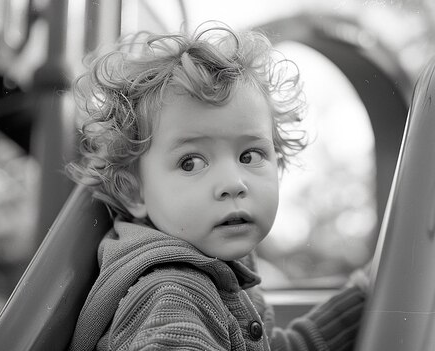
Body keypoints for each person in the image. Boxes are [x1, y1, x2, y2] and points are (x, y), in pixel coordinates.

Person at [66, 22, 366, 351]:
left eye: (250, 155)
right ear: (134, 192)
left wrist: (364, 298)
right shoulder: (173, 295)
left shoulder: (213, 269)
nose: (232, 183)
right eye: (191, 162)